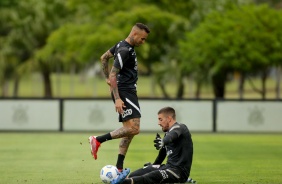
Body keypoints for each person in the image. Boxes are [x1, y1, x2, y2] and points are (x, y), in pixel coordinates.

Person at [88, 23, 150, 172]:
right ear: (135, 34)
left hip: (126, 91)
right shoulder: (124, 50)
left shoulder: (122, 45)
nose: (143, 42)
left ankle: (119, 167)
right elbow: (113, 73)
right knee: (134, 128)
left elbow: (104, 58)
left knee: (129, 130)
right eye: (142, 39)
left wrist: (107, 80)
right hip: (124, 91)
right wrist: (117, 98)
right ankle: (97, 140)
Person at [110, 106, 196, 184]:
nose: (158, 123)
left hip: (178, 172)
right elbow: (162, 155)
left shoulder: (181, 128)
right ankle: (127, 179)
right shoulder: (167, 133)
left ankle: (123, 183)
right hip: (168, 167)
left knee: (152, 176)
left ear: (169, 118)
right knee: (136, 173)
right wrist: (153, 166)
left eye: (160, 119)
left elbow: (172, 135)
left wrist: (163, 141)